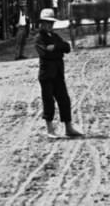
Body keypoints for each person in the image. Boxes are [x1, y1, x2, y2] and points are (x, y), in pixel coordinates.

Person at [35, 8, 83, 139]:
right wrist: (59, 49)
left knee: (64, 100)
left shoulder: (54, 37)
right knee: (48, 101)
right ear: (42, 24)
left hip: (58, 73)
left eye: (51, 23)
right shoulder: (39, 38)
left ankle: (68, 127)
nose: (49, 25)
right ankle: (50, 129)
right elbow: (44, 53)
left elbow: (67, 48)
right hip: (46, 75)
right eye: (46, 23)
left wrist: (55, 48)